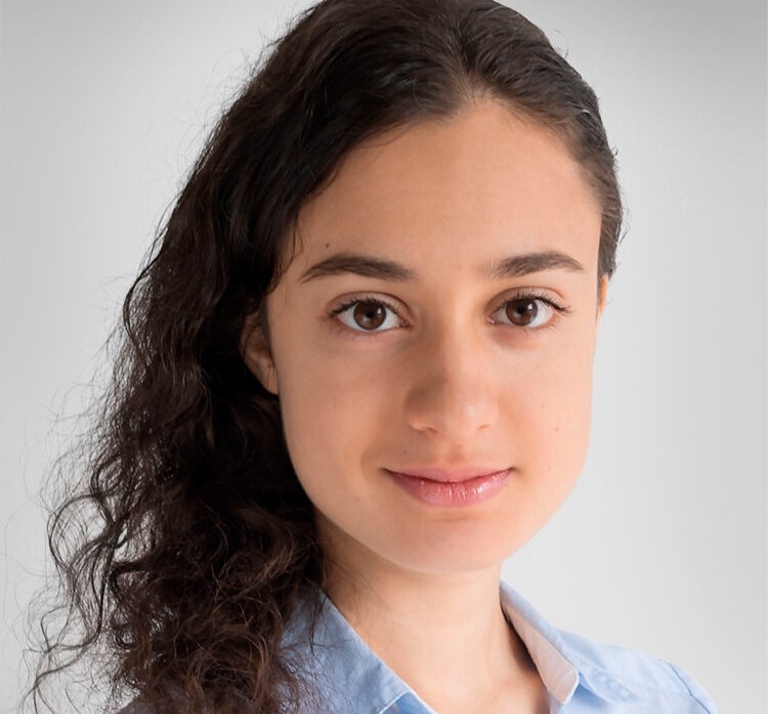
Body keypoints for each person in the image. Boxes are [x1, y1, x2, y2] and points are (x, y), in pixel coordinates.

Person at [31, 0, 716, 712]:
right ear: (260, 335)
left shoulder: (667, 702)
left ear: (596, 315)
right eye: (370, 313)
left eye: (523, 308)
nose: (455, 408)